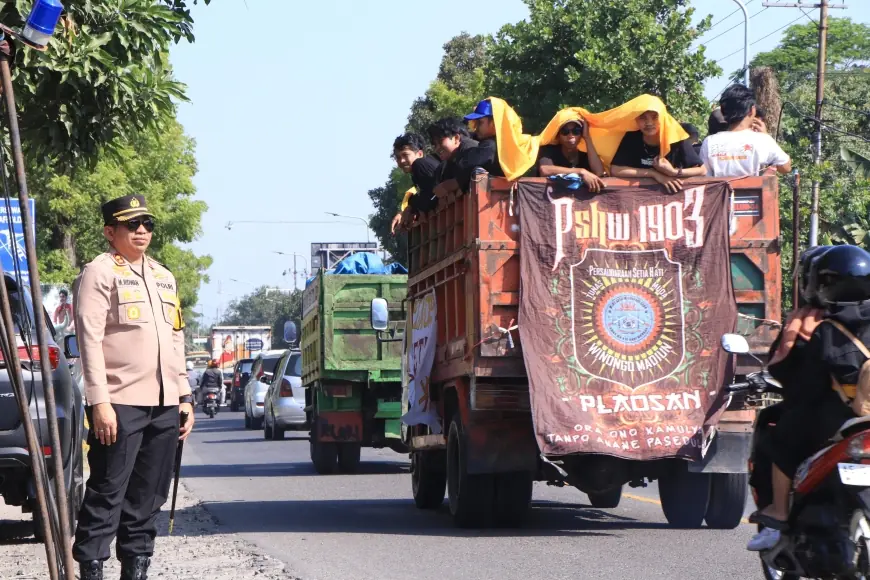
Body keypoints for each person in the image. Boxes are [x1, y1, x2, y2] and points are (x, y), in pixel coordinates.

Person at [73, 194, 194, 580]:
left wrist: (185, 395)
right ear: (111, 231)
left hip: (163, 404)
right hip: (120, 402)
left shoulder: (163, 276)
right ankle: (92, 567)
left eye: (147, 224)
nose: (142, 231)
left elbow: (176, 339)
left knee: (149, 496)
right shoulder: (99, 272)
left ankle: (136, 569)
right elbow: (88, 339)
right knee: (108, 491)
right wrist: (99, 402)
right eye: (132, 224)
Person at [747, 244, 870, 551]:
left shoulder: (818, 328)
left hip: (842, 418)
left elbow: (802, 387)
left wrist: (790, 340)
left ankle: (777, 512)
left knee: (782, 436)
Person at [700, 84, 791, 178]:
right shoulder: (763, 140)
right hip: (755, 192)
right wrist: (765, 135)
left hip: (720, 192)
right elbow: (786, 167)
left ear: (722, 111)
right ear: (752, 110)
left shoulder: (709, 142)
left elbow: (705, 176)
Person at [610, 108, 706, 193]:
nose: (649, 123)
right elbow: (615, 170)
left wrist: (673, 172)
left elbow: (702, 170)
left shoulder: (676, 138)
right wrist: (654, 174)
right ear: (636, 120)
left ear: (663, 118)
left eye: (655, 117)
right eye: (643, 118)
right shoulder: (631, 137)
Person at [536, 117, 606, 193]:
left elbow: (599, 172)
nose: (571, 135)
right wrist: (581, 172)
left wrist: (587, 137)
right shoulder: (548, 149)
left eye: (576, 131)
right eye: (565, 131)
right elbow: (545, 170)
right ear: (558, 135)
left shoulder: (585, 156)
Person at [390, 132, 440, 233]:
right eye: (398, 157)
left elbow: (433, 194)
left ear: (420, 154)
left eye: (405, 155)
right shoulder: (425, 166)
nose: (402, 161)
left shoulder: (419, 164)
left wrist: (411, 209)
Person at [428, 117, 485, 198]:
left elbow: (477, 171)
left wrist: (452, 184)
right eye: (434, 144)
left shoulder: (471, 148)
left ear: (456, 138)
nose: (437, 148)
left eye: (440, 142)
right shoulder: (450, 160)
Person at [463, 99, 505, 178]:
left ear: (493, 123)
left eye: (480, 122)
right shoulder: (503, 142)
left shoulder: (490, 145)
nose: (476, 127)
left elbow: (467, 167)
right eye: (476, 123)